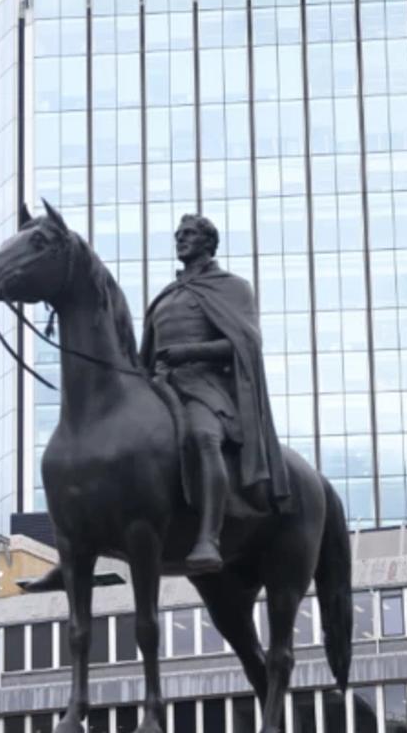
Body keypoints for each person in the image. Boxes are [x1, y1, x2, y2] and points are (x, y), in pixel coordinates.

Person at [139, 215, 290, 574]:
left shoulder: (233, 287)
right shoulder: (167, 295)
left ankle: (209, 536)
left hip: (206, 387)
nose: (180, 240)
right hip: (160, 385)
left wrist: (189, 353)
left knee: (202, 436)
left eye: (188, 234)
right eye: (177, 235)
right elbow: (147, 353)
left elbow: (245, 343)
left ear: (209, 242)